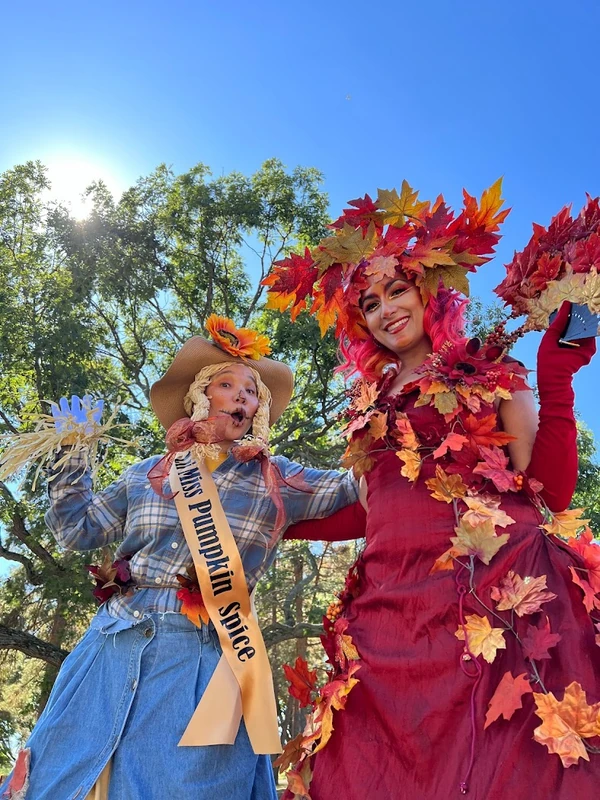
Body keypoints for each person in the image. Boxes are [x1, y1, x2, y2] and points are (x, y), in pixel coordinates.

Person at [266, 183, 600, 799]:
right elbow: (373, 514)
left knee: (514, 768)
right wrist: (266, 524)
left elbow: (549, 486)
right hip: (391, 622)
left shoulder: (486, 365)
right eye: (369, 302)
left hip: (493, 602)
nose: (386, 308)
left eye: (398, 289)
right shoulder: (367, 408)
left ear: (429, 292)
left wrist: (557, 376)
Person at [0, 315, 359, 800]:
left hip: (205, 655)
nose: (241, 396)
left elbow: (357, 485)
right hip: (111, 645)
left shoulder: (280, 480)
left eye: (251, 391)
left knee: (185, 785)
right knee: (59, 779)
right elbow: (75, 529)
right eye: (226, 384)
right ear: (198, 396)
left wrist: (390, 423)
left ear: (259, 410)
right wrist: (71, 456)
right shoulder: (147, 473)